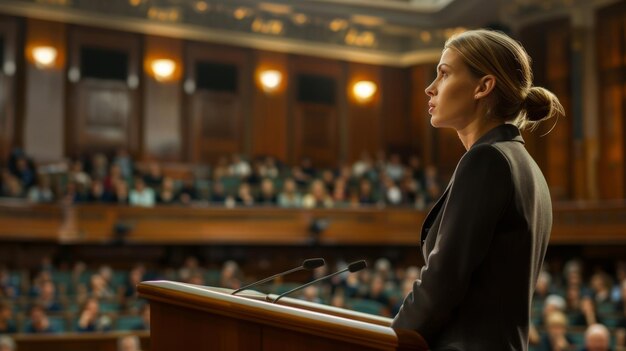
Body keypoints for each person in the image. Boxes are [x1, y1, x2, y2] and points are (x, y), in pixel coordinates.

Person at [391, 29, 564, 351]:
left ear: (483, 86)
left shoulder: (488, 159)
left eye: (443, 74)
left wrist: (387, 341)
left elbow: (443, 279)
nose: (430, 88)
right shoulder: (524, 164)